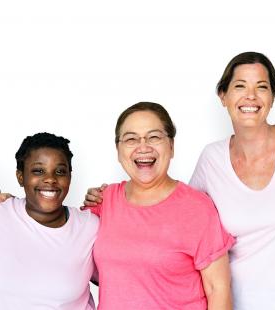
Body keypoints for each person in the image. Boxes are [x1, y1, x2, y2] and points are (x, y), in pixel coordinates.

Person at [85, 52, 275, 309]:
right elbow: (168, 220)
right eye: (239, 86)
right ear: (222, 96)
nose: (251, 96)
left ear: (273, 96)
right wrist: (104, 199)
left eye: (262, 87)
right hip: (243, 303)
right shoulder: (212, 159)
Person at [87, 102, 234, 309]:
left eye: (154, 137)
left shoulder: (198, 208)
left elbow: (218, 290)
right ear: (118, 150)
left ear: (171, 146)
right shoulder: (103, 202)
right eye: (130, 139)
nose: (143, 147)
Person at [0, 132, 99, 309]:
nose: (50, 179)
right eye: (38, 171)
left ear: (70, 177)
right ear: (20, 177)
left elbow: (120, 277)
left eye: (60, 171)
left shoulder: (90, 226)